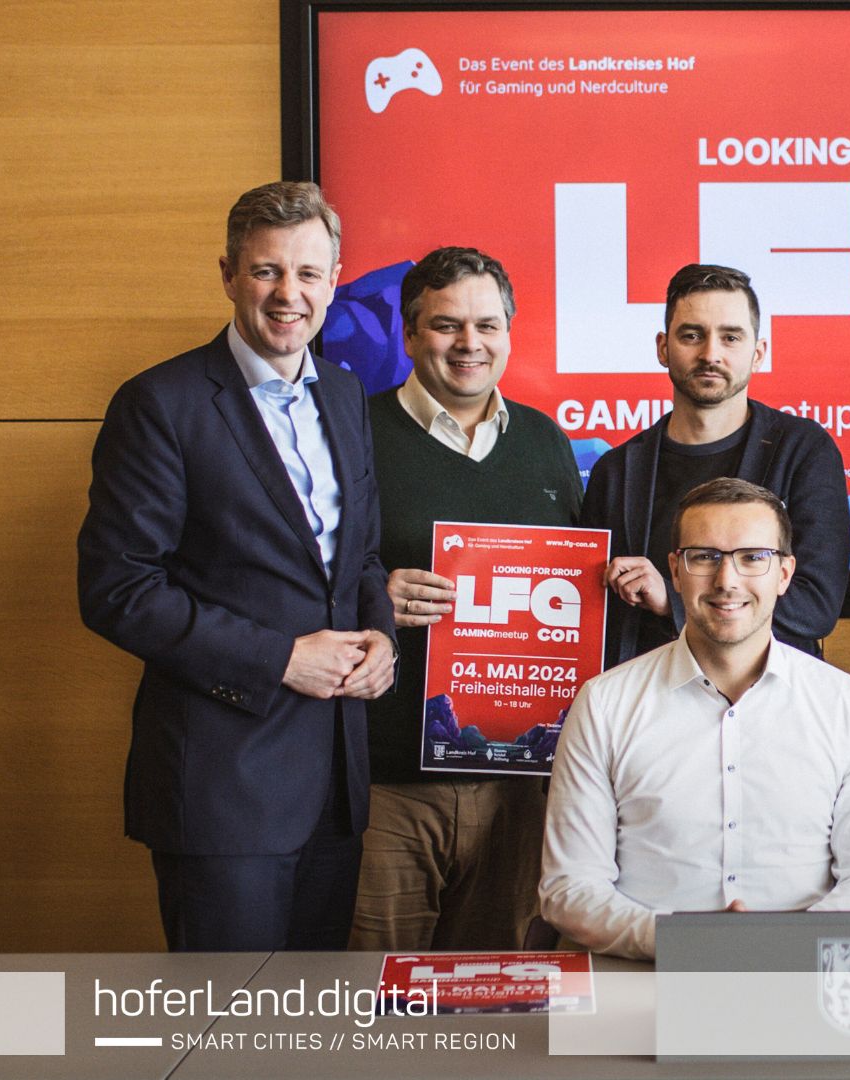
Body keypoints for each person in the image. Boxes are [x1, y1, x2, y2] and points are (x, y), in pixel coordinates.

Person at [77, 181, 394, 951]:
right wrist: (280, 657)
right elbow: (118, 588)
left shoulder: (345, 396)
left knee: (309, 1013)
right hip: (223, 788)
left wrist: (382, 637)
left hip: (335, 786)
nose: (289, 295)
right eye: (266, 271)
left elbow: (359, 557)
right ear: (228, 274)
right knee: (230, 1017)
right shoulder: (161, 403)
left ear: (334, 281)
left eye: (308, 274)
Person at [541, 478, 850, 959]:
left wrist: (783, 947)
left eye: (753, 557)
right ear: (675, 571)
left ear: (784, 574)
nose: (727, 580)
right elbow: (569, 887)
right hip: (648, 977)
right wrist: (682, 943)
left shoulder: (846, 706)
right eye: (705, 557)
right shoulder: (604, 704)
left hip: (803, 977)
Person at [350, 247, 584, 951]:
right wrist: (370, 596)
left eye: (487, 325)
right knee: (375, 993)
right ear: (410, 334)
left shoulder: (545, 442)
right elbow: (299, 574)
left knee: (494, 992)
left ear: (509, 333)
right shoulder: (353, 433)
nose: (469, 344)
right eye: (447, 325)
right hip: (388, 785)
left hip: (517, 790)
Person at [578, 264, 849, 669]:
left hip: (768, 694)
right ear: (663, 348)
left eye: (730, 337)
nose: (710, 354)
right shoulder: (616, 471)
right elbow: (591, 611)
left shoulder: (804, 451)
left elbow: (816, 606)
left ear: (758, 353)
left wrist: (672, 600)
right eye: (692, 335)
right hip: (647, 694)